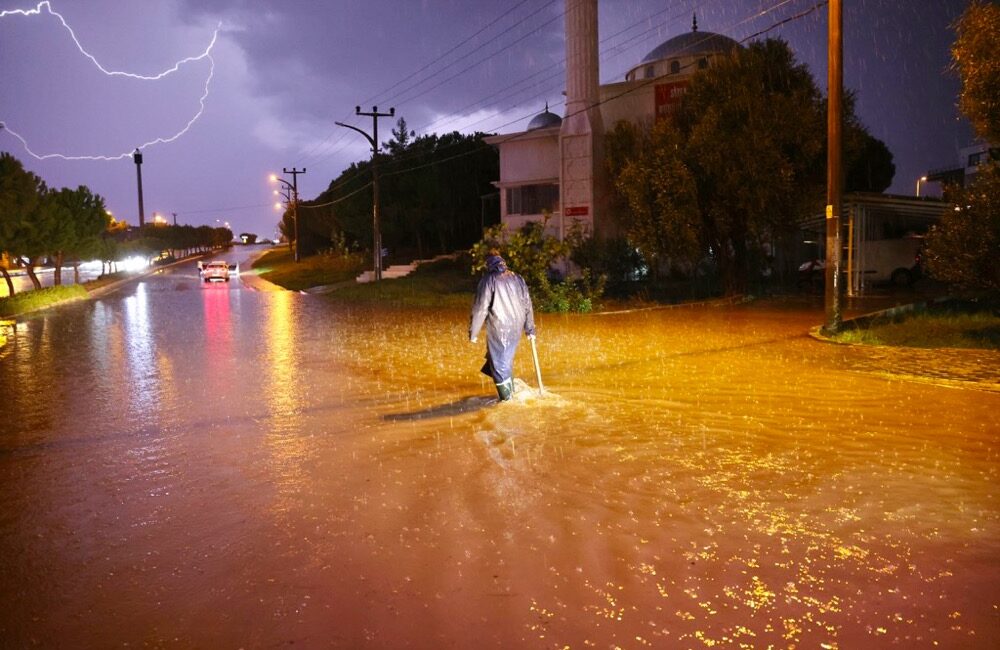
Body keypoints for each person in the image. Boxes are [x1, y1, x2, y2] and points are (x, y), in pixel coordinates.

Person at [469, 251, 536, 401]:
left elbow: (481, 307)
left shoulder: (489, 280)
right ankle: (510, 391)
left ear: (488, 263)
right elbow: (527, 303)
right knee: (500, 359)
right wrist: (530, 329)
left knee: (499, 364)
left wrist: (473, 332)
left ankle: (507, 401)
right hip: (517, 325)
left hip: (500, 326)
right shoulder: (517, 277)